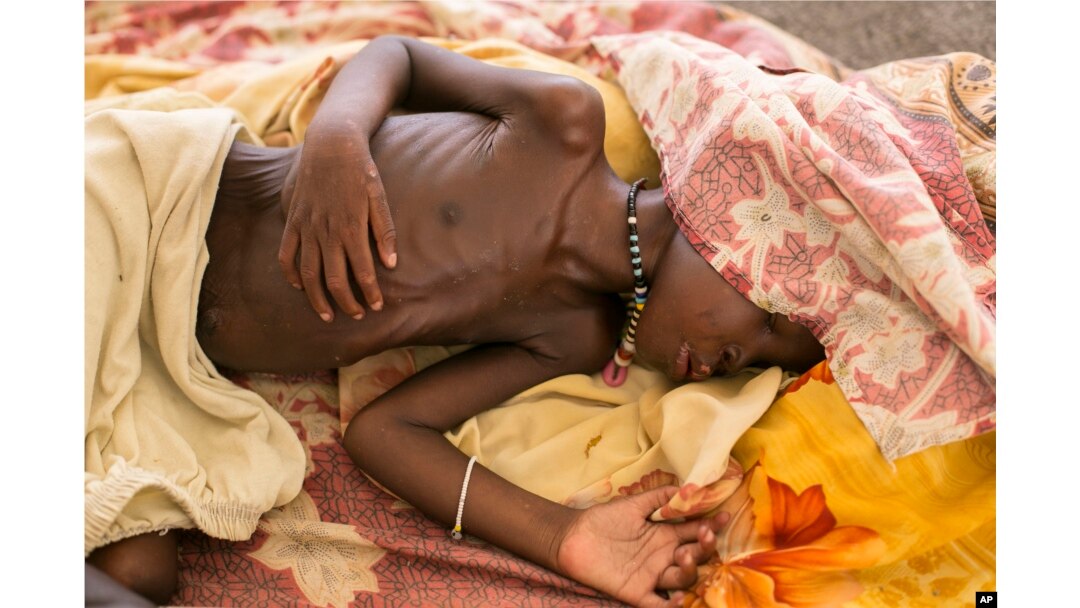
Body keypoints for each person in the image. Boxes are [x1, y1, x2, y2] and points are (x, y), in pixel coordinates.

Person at [86, 35, 825, 607]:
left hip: (162, 352)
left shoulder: (572, 334)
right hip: (141, 212)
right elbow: (397, 56)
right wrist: (338, 139)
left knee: (138, 572)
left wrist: (564, 537)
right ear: (731, 222)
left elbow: (384, 433)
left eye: (763, 362)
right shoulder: (561, 126)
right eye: (765, 319)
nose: (741, 356)